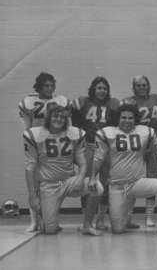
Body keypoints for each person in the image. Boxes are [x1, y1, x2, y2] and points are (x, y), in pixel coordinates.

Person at [92, 104, 157, 237]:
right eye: (124, 117)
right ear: (118, 118)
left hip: (137, 182)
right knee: (118, 230)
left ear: (135, 119)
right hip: (117, 185)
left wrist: (155, 175)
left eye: (130, 118)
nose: (127, 121)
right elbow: (98, 157)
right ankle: (126, 218)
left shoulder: (146, 132)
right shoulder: (107, 133)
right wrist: (93, 176)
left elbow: (152, 154)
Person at [23, 105, 103, 235]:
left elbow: (82, 163)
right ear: (48, 117)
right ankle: (47, 216)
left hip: (68, 181)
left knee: (97, 187)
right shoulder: (35, 134)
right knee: (50, 230)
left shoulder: (74, 134)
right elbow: (30, 168)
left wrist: (80, 178)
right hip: (48, 185)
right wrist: (32, 196)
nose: (59, 119)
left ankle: (87, 225)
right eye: (55, 116)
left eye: (62, 117)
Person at [18, 72, 70, 232]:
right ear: (39, 86)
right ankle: (34, 220)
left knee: (52, 182)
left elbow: (67, 124)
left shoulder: (60, 100)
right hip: (36, 141)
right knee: (34, 181)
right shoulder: (28, 102)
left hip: (54, 142)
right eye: (46, 85)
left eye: (52, 85)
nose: (49, 88)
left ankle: (51, 218)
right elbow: (26, 126)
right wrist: (29, 140)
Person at [71, 76, 119, 233]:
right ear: (93, 89)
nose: (102, 91)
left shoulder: (112, 104)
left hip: (105, 146)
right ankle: (87, 218)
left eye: (104, 88)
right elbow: (76, 124)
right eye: (99, 88)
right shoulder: (84, 102)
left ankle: (100, 218)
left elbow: (115, 126)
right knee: (87, 182)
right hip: (89, 146)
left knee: (105, 182)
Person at [121, 75, 157, 227]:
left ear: (149, 86)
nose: (142, 88)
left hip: (153, 142)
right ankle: (128, 216)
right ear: (133, 87)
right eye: (138, 85)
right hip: (135, 144)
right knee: (132, 179)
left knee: (152, 177)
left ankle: (149, 216)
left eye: (144, 85)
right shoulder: (128, 102)